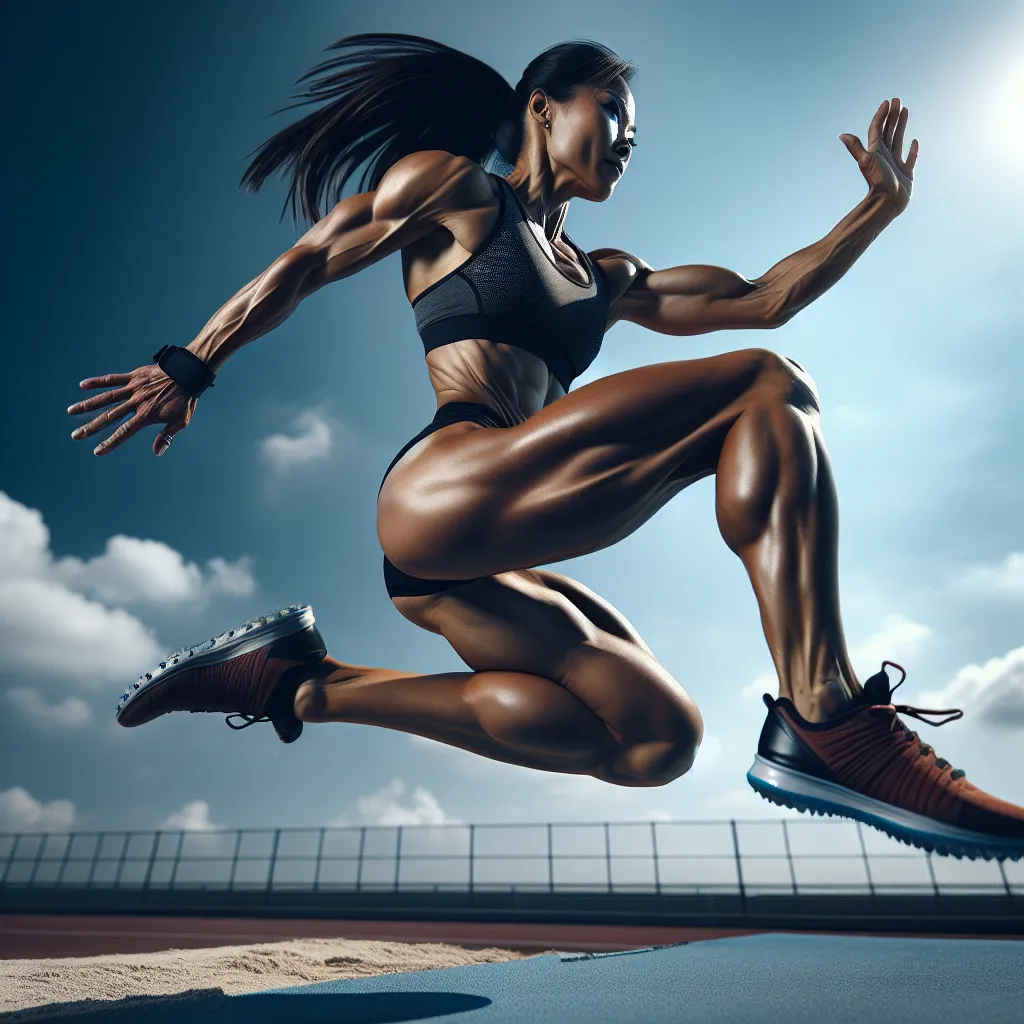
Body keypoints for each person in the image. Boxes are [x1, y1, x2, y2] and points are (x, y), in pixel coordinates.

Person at [68, 34, 1023, 861]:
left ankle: (295, 683)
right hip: (445, 486)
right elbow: (316, 255)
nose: (628, 139)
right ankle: (831, 718)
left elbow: (764, 295)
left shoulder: (607, 275)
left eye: (636, 131)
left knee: (655, 739)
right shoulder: (457, 189)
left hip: (479, 562)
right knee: (768, 383)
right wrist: (191, 365)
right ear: (542, 109)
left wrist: (878, 209)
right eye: (612, 113)